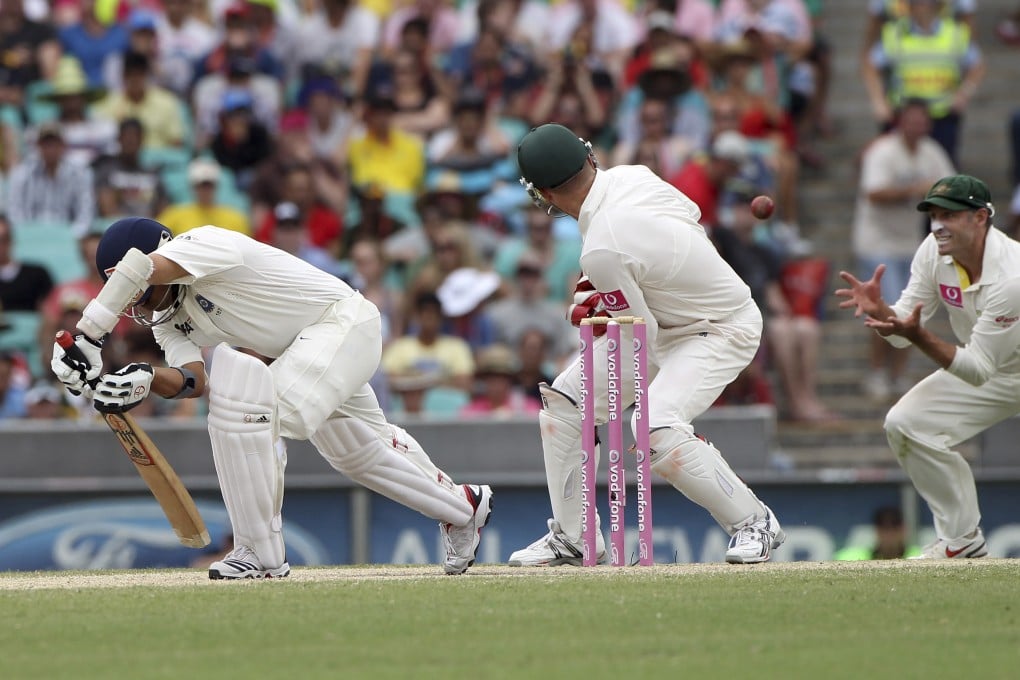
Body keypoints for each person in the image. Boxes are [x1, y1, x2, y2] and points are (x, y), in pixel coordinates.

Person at [50, 217, 493, 577]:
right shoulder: (169, 319)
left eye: (140, 295)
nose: (140, 307)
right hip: (305, 351)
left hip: (340, 323)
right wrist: (146, 378)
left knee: (250, 409)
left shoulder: (204, 242)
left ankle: (257, 551)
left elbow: (140, 269)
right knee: (359, 451)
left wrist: (88, 333)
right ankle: (462, 507)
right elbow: (192, 379)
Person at [509, 123, 785, 566]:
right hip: (666, 320)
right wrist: (619, 290)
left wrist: (601, 306)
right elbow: (690, 215)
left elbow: (641, 340)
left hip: (719, 327)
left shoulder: (601, 249)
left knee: (652, 424)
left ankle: (754, 522)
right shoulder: (634, 175)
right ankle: (576, 537)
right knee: (565, 402)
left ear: (541, 194)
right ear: (590, 158)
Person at [835, 174, 1010, 560]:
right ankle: (963, 539)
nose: (938, 224)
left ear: (980, 217)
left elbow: (977, 369)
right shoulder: (933, 249)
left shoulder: (1011, 275)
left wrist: (916, 335)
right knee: (906, 424)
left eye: (949, 215)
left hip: (991, 365)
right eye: (933, 214)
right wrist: (883, 312)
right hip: (995, 369)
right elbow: (902, 329)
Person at [852, 99, 955, 401]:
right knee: (884, 312)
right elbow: (873, 192)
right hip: (877, 241)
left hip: (911, 243)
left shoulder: (932, 152)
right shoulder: (882, 151)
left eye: (921, 120)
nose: (916, 126)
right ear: (900, 122)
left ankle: (897, 375)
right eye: (911, 120)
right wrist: (916, 190)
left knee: (912, 315)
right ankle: (876, 372)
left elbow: (950, 187)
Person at [834, 505, 921, 560]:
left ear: (904, 530)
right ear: (876, 531)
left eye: (894, 527)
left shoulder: (920, 557)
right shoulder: (852, 558)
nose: (889, 534)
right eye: (885, 528)